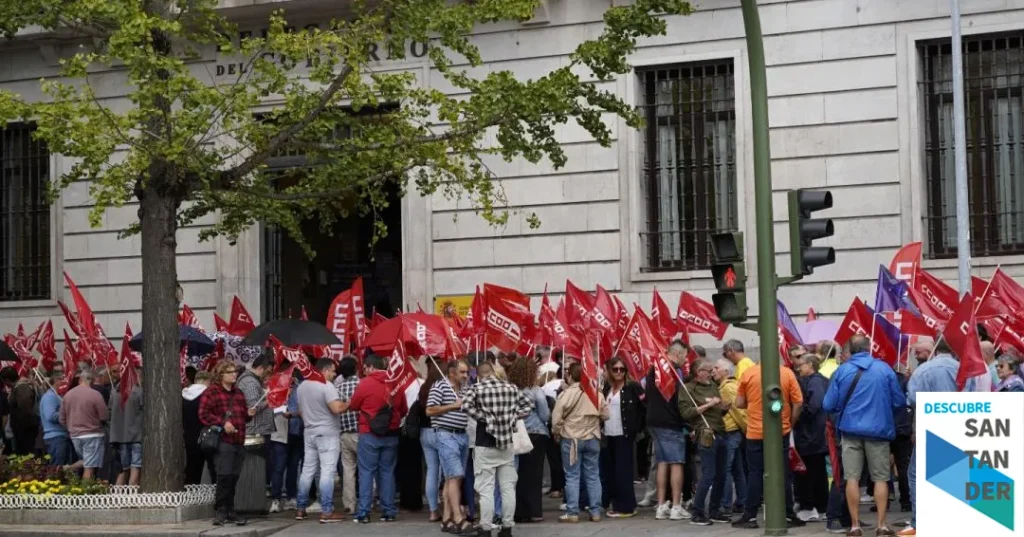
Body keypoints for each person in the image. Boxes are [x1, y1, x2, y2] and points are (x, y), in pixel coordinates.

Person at [823, 335, 906, 537]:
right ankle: (882, 525)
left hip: (850, 432)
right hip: (879, 431)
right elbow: (899, 401)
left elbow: (827, 405)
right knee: (881, 478)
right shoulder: (884, 369)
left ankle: (854, 526)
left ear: (850, 350)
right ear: (870, 349)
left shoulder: (841, 371)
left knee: (851, 477)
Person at [462, 355, 536, 537]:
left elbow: (465, 406)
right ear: (493, 372)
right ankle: (507, 527)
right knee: (508, 487)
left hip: (484, 443)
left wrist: (484, 418)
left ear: (479, 375)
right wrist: (511, 417)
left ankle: (486, 528)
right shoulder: (511, 388)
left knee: (486, 488)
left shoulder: (476, 388)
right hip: (506, 444)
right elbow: (529, 405)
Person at [732, 355, 806, 529]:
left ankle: (750, 516)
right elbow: (798, 402)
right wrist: (790, 422)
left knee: (755, 474)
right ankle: (788, 513)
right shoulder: (787, 373)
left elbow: (739, 402)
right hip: (781, 431)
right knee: (783, 473)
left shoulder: (749, 374)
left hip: (755, 433)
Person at [349, 353, 408, 524]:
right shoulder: (395, 382)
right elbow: (403, 409)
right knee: (387, 472)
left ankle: (364, 513)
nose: (364, 371)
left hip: (369, 433)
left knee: (366, 472)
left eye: (365, 368)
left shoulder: (365, 383)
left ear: (370, 367)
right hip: (391, 434)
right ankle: (388, 511)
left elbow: (353, 405)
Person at [199, 362, 255, 526]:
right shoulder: (212, 392)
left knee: (234, 477)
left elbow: (243, 416)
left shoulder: (238, 393)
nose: (234, 374)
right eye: (229, 372)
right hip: (223, 440)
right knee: (224, 475)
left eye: (234, 372)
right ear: (220, 374)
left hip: (239, 440)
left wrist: (249, 414)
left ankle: (230, 510)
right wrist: (223, 423)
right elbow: (203, 414)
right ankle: (221, 510)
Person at [295, 358, 348, 523]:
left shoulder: (302, 386)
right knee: (327, 471)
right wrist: (349, 403)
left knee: (307, 470)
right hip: (327, 433)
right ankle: (326, 511)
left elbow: (301, 411)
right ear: (324, 370)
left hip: (309, 431)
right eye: (332, 370)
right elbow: (337, 408)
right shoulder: (326, 385)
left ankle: (301, 508)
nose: (334, 374)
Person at [678, 358, 730, 526]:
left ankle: (714, 510)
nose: (711, 372)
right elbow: (686, 413)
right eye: (707, 370)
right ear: (698, 372)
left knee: (722, 475)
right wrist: (708, 406)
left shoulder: (713, 386)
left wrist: (723, 407)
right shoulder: (688, 389)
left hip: (721, 431)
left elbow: (718, 410)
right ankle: (698, 512)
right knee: (708, 474)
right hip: (705, 432)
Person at [646, 340, 690, 521]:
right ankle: (676, 506)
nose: (685, 360)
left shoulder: (653, 369)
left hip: (654, 422)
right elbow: (677, 401)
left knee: (663, 462)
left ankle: (662, 505)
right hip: (670, 423)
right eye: (685, 356)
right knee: (677, 462)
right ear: (678, 354)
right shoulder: (673, 372)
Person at [427, 359, 473, 534]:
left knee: (452, 478)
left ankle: (446, 519)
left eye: (466, 372)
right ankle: (458, 518)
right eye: (462, 372)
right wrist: (453, 406)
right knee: (455, 475)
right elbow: (429, 410)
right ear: (452, 372)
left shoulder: (464, 388)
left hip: (462, 434)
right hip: (446, 434)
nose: (465, 375)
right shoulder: (439, 386)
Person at [599, 356, 643, 519]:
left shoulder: (633, 387)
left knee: (623, 471)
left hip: (625, 435)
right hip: (609, 434)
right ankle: (617, 503)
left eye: (622, 369)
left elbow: (644, 408)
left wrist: (638, 429)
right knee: (611, 471)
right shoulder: (606, 388)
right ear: (609, 371)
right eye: (615, 369)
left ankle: (626, 507)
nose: (619, 372)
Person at [508, 357, 549, 523]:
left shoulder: (509, 389)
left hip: (516, 433)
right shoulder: (536, 390)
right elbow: (545, 414)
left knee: (517, 473)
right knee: (534, 474)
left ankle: (518, 511)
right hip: (536, 433)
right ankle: (534, 511)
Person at [793, 354, 829, 522]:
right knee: (817, 472)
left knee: (809, 473)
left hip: (811, 435)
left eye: (801, 365)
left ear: (810, 365)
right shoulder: (816, 381)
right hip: (814, 435)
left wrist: (799, 414)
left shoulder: (815, 381)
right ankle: (820, 507)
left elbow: (814, 405)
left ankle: (811, 507)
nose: (799, 368)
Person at [237, 352, 275, 495]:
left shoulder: (249, 380)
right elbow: (253, 406)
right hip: (257, 430)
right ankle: (259, 491)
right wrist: (270, 399)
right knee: (261, 464)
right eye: (268, 371)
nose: (268, 375)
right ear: (261, 367)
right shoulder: (251, 382)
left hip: (257, 429)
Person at [59, 369, 107, 481]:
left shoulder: (67, 395)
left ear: (80, 379)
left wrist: (71, 428)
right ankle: (86, 493)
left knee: (87, 460)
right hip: (92, 434)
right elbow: (104, 416)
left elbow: (61, 419)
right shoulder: (96, 395)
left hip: (75, 435)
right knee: (89, 467)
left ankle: (68, 468)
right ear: (92, 380)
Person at [712, 358, 746, 517]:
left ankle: (725, 505)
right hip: (734, 432)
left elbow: (739, 411)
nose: (713, 370)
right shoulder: (729, 385)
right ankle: (741, 501)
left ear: (726, 371)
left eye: (716, 368)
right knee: (737, 470)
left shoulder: (727, 388)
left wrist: (747, 430)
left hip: (731, 432)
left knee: (725, 469)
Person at [333, 356, 361, 514]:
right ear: (356, 368)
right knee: (365, 469)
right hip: (361, 433)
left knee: (348, 470)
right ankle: (367, 501)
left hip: (344, 434)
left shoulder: (338, 389)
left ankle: (349, 505)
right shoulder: (361, 384)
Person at [109, 369, 143, 486]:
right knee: (136, 467)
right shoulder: (138, 392)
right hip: (136, 436)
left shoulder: (114, 392)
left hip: (119, 436)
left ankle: (118, 497)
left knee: (123, 469)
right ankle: (132, 496)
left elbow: (109, 411)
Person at [40, 370, 78, 467]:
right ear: (57, 381)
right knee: (57, 468)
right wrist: (68, 414)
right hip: (55, 437)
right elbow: (51, 415)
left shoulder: (58, 396)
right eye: (62, 380)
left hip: (61, 436)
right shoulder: (50, 397)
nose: (65, 382)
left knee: (63, 467)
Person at [183, 371, 214, 485]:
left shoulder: (184, 394)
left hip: (188, 434)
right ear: (207, 381)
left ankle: (190, 488)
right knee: (210, 464)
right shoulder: (207, 395)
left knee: (191, 464)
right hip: (205, 435)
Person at [4, 367, 39, 455]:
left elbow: (25, 409)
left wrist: (20, 426)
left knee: (25, 454)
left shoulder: (22, 387)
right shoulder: (17, 388)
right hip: (21, 429)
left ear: (7, 380)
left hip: (25, 429)